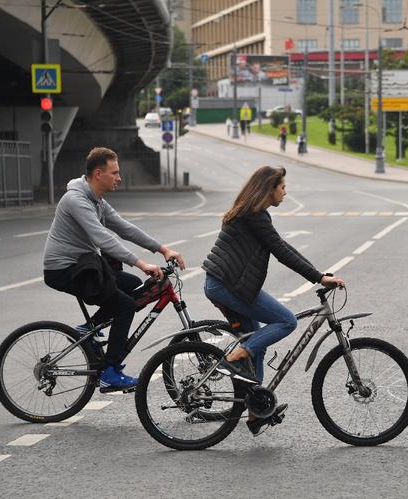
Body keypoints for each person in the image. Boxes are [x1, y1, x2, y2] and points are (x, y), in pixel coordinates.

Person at [202, 166, 343, 434]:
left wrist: (317, 274)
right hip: (228, 286)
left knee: (257, 342)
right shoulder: (254, 216)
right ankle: (234, 358)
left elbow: (282, 246)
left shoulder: (251, 213)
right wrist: (319, 278)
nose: (285, 192)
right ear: (269, 189)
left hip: (228, 285)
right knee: (286, 321)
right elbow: (281, 251)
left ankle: (255, 411)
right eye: (282, 187)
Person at [43, 147, 185, 392]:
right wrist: (141, 264)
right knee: (125, 305)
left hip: (83, 265)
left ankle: (89, 328)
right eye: (115, 173)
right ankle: (110, 370)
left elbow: (125, 228)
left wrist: (162, 249)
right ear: (98, 174)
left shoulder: (96, 200)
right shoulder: (76, 200)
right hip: (64, 269)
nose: (119, 177)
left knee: (131, 285)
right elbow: (103, 239)